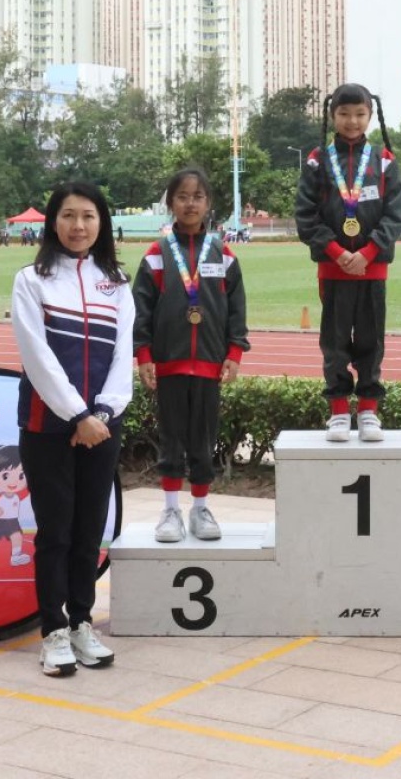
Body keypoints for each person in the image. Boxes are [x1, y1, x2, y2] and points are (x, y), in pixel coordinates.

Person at [11, 180, 133, 677]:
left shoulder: (117, 282)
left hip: (103, 427)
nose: (78, 226)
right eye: (68, 215)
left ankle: (82, 622)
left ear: (101, 222)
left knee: (88, 531)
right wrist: (77, 415)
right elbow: (36, 356)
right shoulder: (31, 280)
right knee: (56, 532)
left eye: (88, 216)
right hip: (47, 426)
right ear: (52, 222)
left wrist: (101, 415)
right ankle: (54, 631)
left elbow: (123, 354)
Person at [133, 167, 248, 544]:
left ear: (208, 203)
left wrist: (234, 351)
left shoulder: (223, 253)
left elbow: (236, 307)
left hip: (209, 364)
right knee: (171, 439)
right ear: (171, 203)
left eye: (198, 197)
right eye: (182, 196)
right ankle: (170, 510)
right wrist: (143, 354)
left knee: (203, 439)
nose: (190, 203)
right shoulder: (157, 254)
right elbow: (141, 308)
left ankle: (200, 508)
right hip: (169, 363)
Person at [295, 82, 401, 443]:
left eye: (360, 114)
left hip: (372, 270)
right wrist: (338, 253)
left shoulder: (385, 161)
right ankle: (339, 411)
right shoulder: (317, 160)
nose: (352, 121)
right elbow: (306, 216)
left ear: (370, 116)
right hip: (334, 269)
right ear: (332, 116)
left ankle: (370, 410)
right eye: (344, 114)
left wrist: (368, 253)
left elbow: (394, 216)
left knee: (372, 341)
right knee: (335, 343)